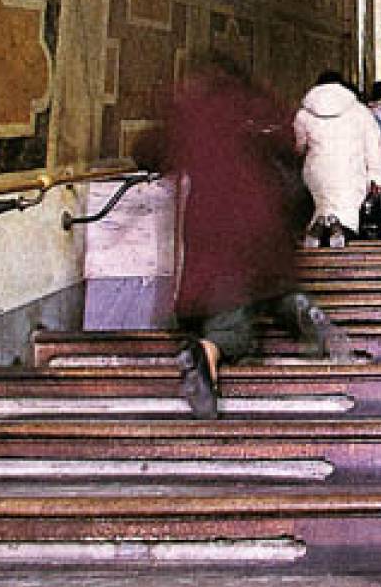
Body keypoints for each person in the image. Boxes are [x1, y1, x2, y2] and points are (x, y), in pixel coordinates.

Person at [150, 54, 352, 419]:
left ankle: (208, 351)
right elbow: (289, 142)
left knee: (232, 319)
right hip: (264, 220)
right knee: (275, 284)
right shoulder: (257, 103)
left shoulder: (191, 108)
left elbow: (151, 151)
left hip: (215, 227)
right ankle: (307, 311)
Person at [294, 71, 381, 246]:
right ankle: (338, 227)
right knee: (347, 209)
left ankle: (320, 224)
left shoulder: (303, 114)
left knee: (321, 203)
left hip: (317, 170)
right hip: (350, 170)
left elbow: (299, 146)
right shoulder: (360, 112)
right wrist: (377, 177)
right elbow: (374, 146)